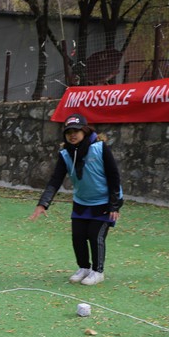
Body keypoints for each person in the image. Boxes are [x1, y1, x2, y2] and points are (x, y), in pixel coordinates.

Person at [28, 114, 123, 286]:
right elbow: (55, 180)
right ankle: (84, 268)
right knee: (78, 236)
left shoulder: (100, 148)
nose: (72, 135)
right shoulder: (65, 153)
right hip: (82, 201)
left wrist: (114, 205)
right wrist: (43, 204)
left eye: (76, 131)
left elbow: (114, 176)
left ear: (85, 131)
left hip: (104, 201)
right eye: (68, 132)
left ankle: (98, 271)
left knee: (95, 235)